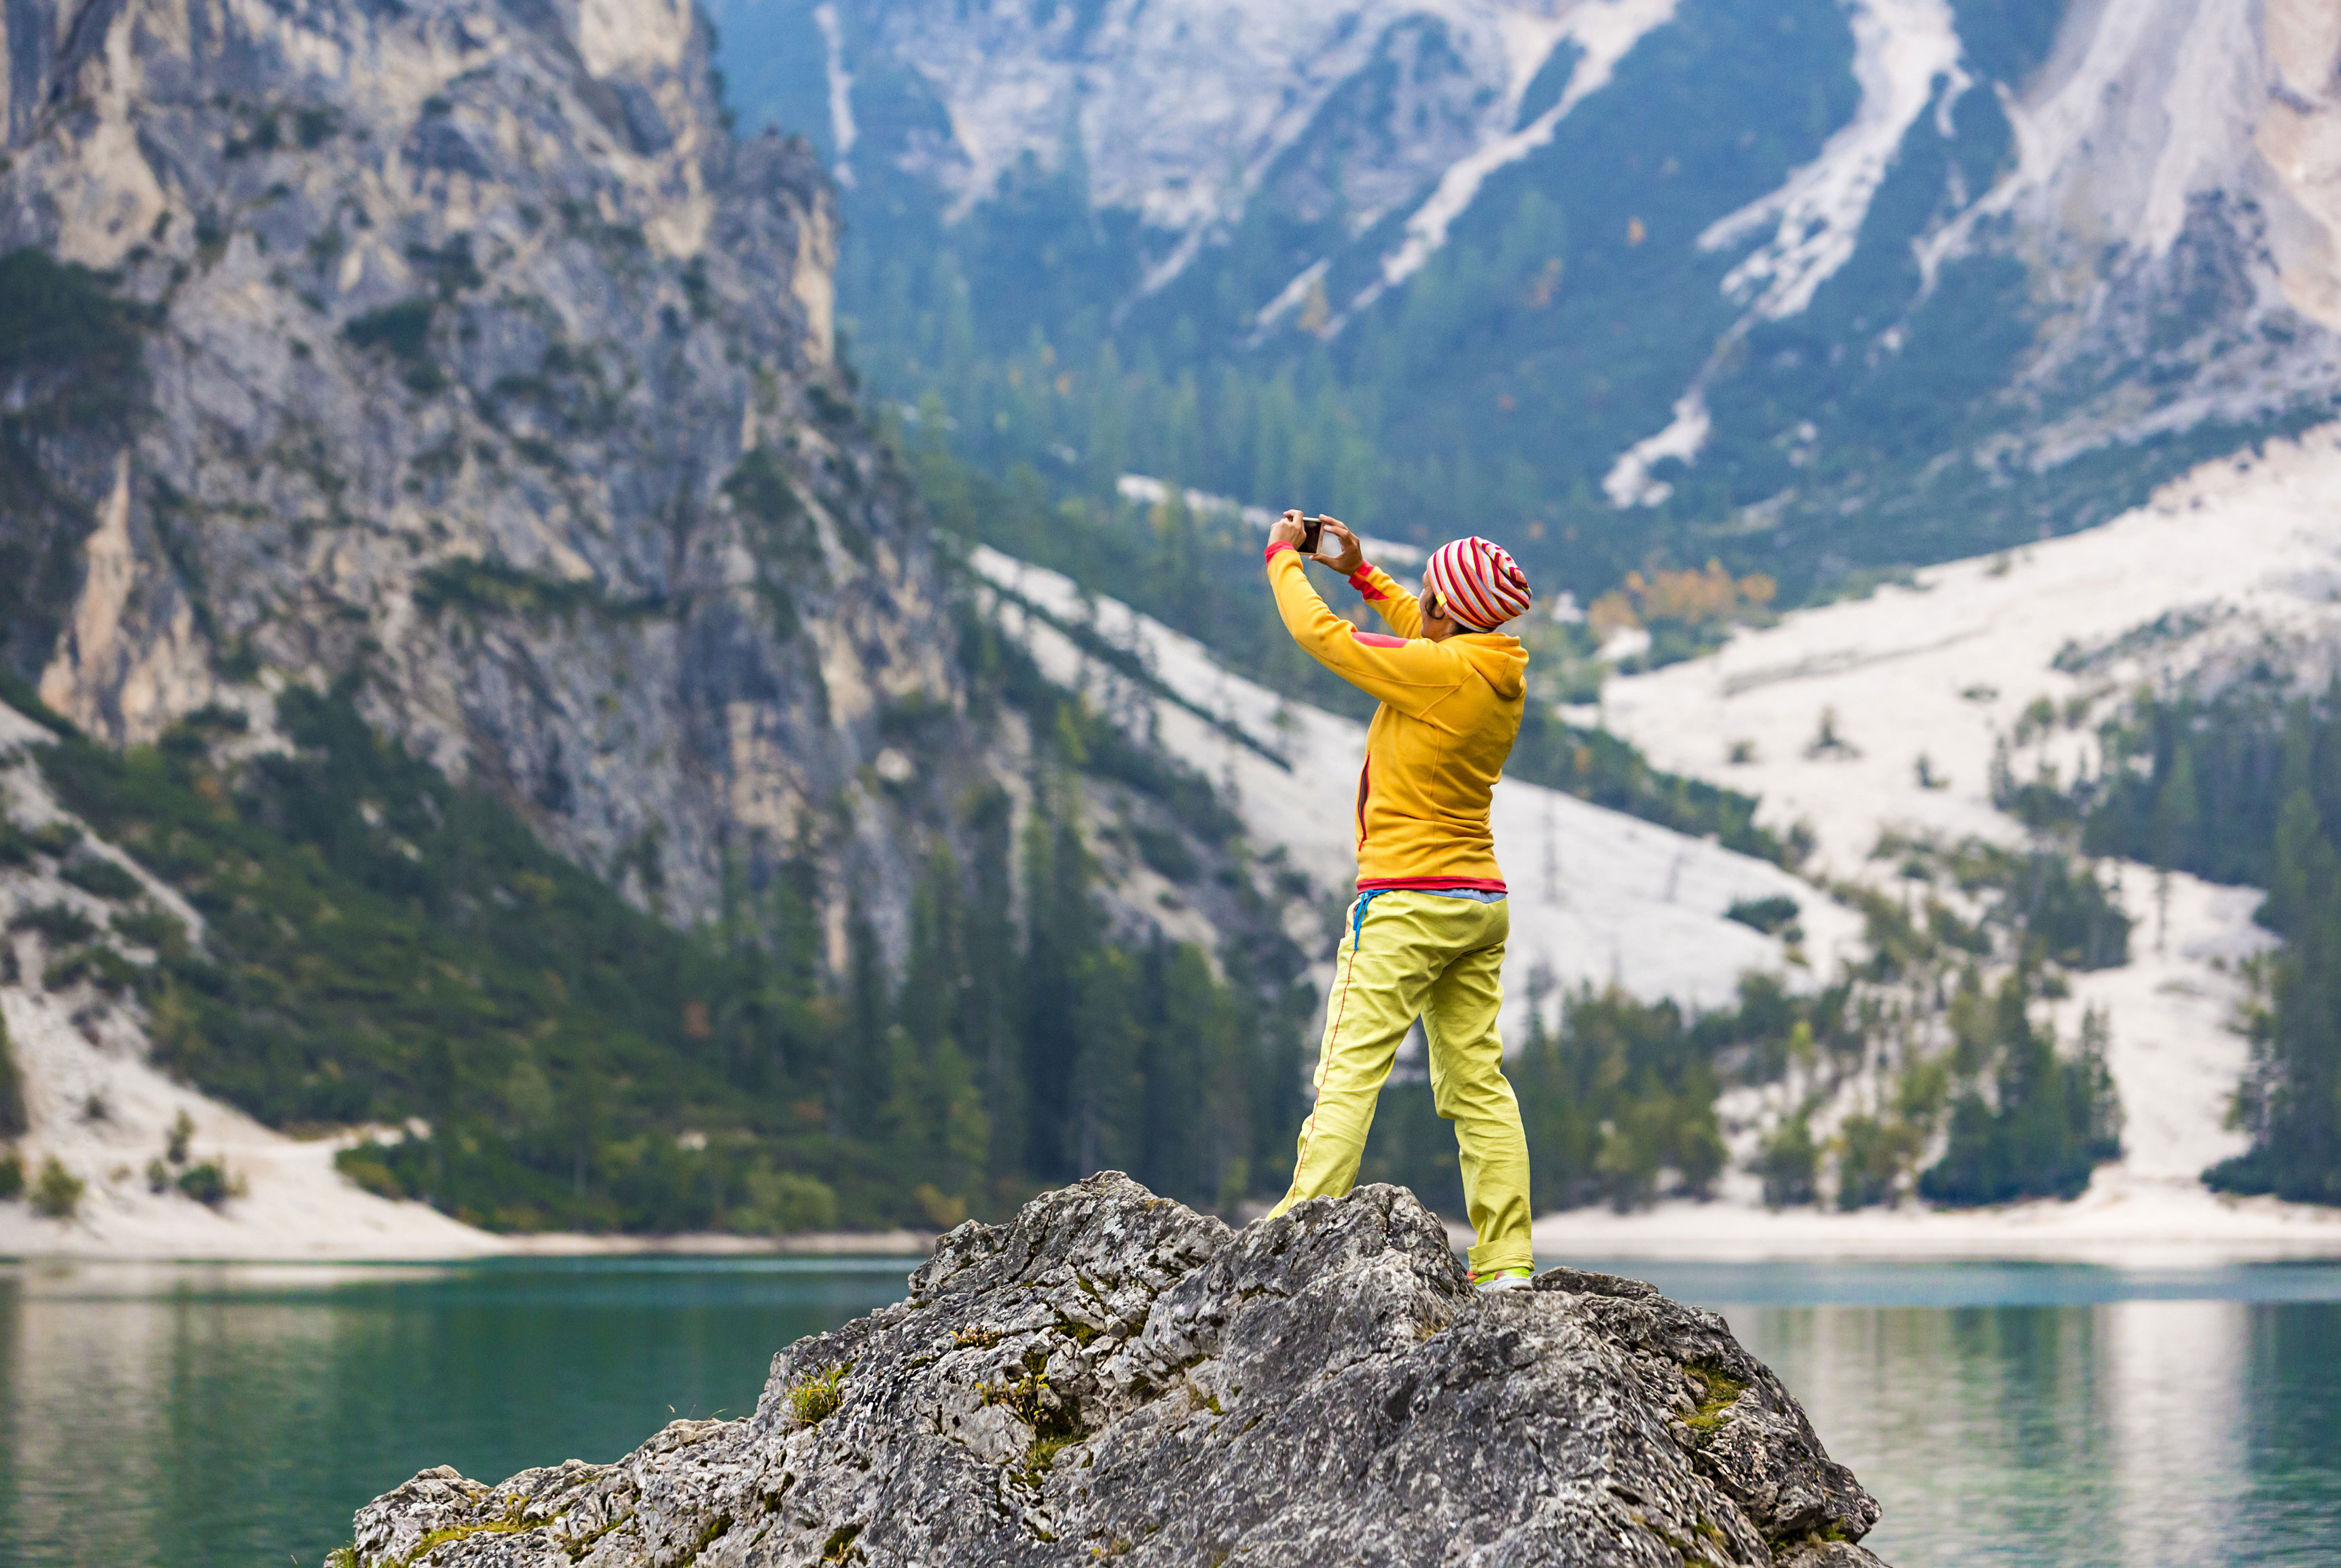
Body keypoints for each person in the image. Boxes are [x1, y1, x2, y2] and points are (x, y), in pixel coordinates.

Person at [1260, 510, 1538, 1291]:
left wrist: (1286, 561)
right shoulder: (1494, 667)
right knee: (1477, 1082)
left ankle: (1287, 1247)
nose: (1419, 605)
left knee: (1349, 1072)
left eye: (1428, 596)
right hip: (1477, 901)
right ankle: (1508, 1262)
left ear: (1452, 611)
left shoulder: (1438, 672)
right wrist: (1361, 571)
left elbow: (1326, 639)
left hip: (1407, 900)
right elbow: (1426, 624)